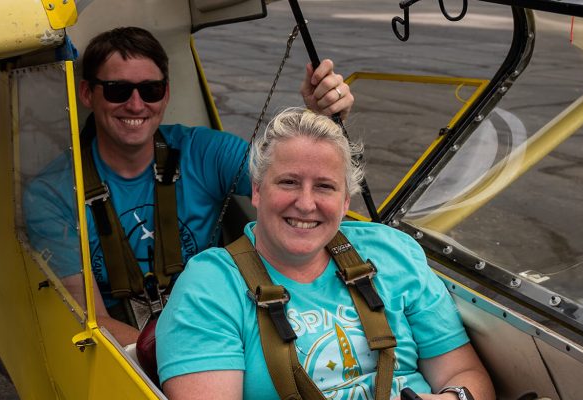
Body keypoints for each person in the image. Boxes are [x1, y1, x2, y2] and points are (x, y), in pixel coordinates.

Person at [23, 27, 355, 346]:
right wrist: (184, 356)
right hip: (129, 350)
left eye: (151, 90)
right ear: (87, 94)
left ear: (165, 94)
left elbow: (291, 182)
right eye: (117, 90)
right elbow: (90, 318)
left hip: (223, 323)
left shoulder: (205, 152)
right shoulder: (51, 194)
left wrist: (319, 118)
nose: (136, 105)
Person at [156, 107, 494, 400]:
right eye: (289, 182)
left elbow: (464, 373)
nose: (306, 204)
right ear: (257, 190)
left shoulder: (393, 253)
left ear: (346, 201)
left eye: (324, 187)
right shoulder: (209, 287)